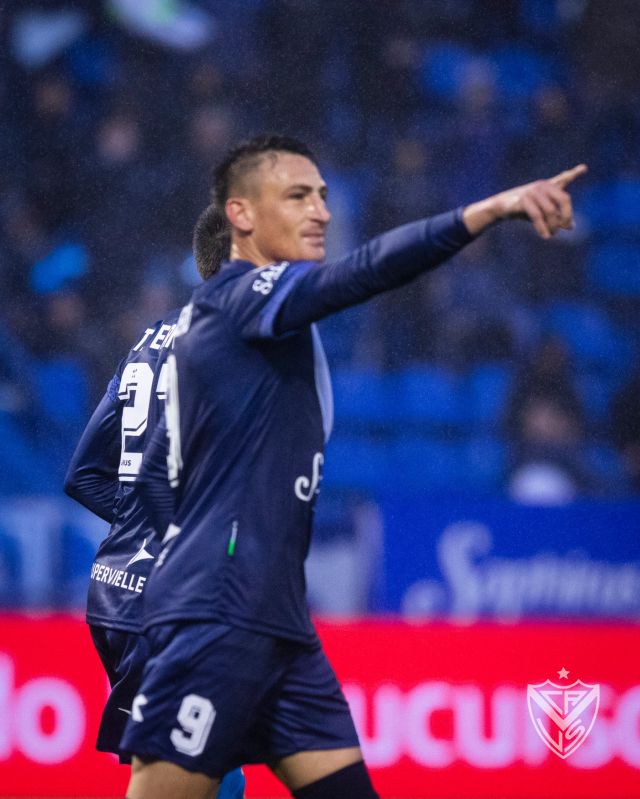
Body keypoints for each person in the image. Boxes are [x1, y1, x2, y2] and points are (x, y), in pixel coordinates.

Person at [121, 134, 586, 799]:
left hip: (277, 621)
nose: (322, 211)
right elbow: (363, 271)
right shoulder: (239, 297)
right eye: (298, 196)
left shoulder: (263, 322)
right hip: (218, 614)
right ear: (240, 214)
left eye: (322, 196)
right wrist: (490, 210)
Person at [64, 306, 245, 799]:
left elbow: (82, 477)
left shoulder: (147, 342)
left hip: (112, 591)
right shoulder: (228, 343)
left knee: (197, 766)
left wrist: (140, 527)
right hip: (168, 603)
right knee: (195, 769)